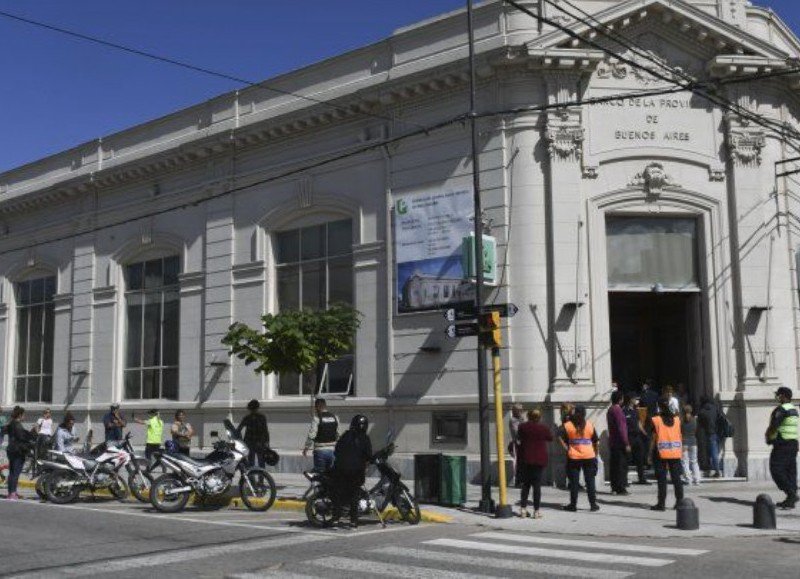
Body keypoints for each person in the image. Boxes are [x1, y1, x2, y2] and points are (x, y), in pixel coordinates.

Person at [332, 414, 373, 528]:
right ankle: (353, 520)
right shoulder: (365, 438)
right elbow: (369, 455)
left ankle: (336, 517)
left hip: (341, 470)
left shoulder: (345, 435)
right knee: (354, 495)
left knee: (339, 493)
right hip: (356, 471)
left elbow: (336, 451)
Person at [560, 405, 600, 512]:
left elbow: (559, 436)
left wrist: (567, 448)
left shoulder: (568, 425)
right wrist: (595, 454)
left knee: (574, 482)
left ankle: (573, 505)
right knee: (590, 481)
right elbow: (596, 441)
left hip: (574, 456)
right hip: (589, 456)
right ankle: (593, 504)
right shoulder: (590, 425)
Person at [765, 386, 799, 509]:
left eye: (779, 395)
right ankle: (791, 498)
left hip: (782, 443)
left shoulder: (781, 410)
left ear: (783, 396)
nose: (777, 397)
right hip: (793, 443)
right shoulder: (794, 409)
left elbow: (774, 427)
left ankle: (790, 493)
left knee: (776, 469)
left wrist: (769, 438)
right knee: (790, 470)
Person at [649, 398, 685, 511]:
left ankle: (661, 504)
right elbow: (680, 435)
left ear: (658, 407)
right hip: (675, 452)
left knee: (662, 479)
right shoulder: (677, 419)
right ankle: (680, 502)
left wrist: (649, 453)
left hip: (660, 453)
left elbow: (653, 438)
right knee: (676, 479)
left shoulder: (656, 420)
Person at [517, 408, 553, 518]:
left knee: (526, 485)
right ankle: (536, 511)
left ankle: (523, 509)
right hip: (539, 460)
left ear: (528, 416)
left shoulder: (522, 427)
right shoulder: (543, 428)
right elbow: (550, 438)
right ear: (539, 417)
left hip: (526, 459)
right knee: (537, 485)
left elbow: (519, 437)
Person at [303, 398, 339, 473]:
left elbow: (312, 435)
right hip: (333, 451)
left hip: (320, 451)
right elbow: (338, 435)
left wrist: (306, 448)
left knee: (319, 475)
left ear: (317, 407)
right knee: (331, 475)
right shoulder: (335, 418)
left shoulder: (317, 419)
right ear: (325, 406)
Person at [5, 406, 34, 499]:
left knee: (12, 472)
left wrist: (30, 434)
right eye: (24, 414)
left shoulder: (11, 423)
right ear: (20, 415)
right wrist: (32, 439)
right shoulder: (17, 425)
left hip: (11, 450)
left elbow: (22, 434)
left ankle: (11, 492)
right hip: (18, 451)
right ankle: (12, 493)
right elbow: (22, 437)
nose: (24, 416)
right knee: (15, 472)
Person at [607, 390, 631, 495]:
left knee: (614, 465)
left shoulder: (610, 410)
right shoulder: (618, 411)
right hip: (619, 442)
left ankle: (614, 487)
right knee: (621, 466)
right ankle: (621, 487)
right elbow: (622, 428)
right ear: (620, 399)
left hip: (613, 441)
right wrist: (626, 443)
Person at [624, 393, 650, 485]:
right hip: (629, 437)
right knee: (627, 459)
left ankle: (642, 478)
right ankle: (624, 479)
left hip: (637, 437)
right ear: (630, 400)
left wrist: (645, 433)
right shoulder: (624, 411)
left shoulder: (635, 410)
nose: (636, 400)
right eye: (634, 398)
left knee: (640, 459)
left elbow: (639, 423)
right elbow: (623, 426)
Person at [237, 400, 270, 467]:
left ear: (249, 408)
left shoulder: (247, 418)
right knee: (261, 462)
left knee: (251, 462)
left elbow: (239, 429)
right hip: (260, 442)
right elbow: (265, 430)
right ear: (258, 407)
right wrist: (267, 442)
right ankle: (262, 476)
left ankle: (252, 476)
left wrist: (240, 440)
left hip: (250, 442)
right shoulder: (261, 417)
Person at [698, 396, 722, 478]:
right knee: (716, 451)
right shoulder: (715, 408)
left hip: (710, 433)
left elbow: (700, 424)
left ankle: (717, 471)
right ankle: (713, 467)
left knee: (713, 453)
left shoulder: (702, 412)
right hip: (718, 432)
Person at [680, 404, 701, 486]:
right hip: (693, 442)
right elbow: (696, 430)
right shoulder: (695, 420)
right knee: (694, 461)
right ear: (691, 411)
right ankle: (697, 479)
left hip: (684, 442)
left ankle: (689, 479)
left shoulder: (681, 421)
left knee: (685, 462)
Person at [509, 403, 525, 487]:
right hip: (517, 443)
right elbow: (516, 432)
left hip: (523, 443)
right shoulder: (513, 420)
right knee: (519, 462)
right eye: (519, 410)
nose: (521, 412)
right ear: (514, 411)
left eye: (521, 410)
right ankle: (519, 481)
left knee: (523, 462)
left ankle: (523, 479)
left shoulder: (521, 419)